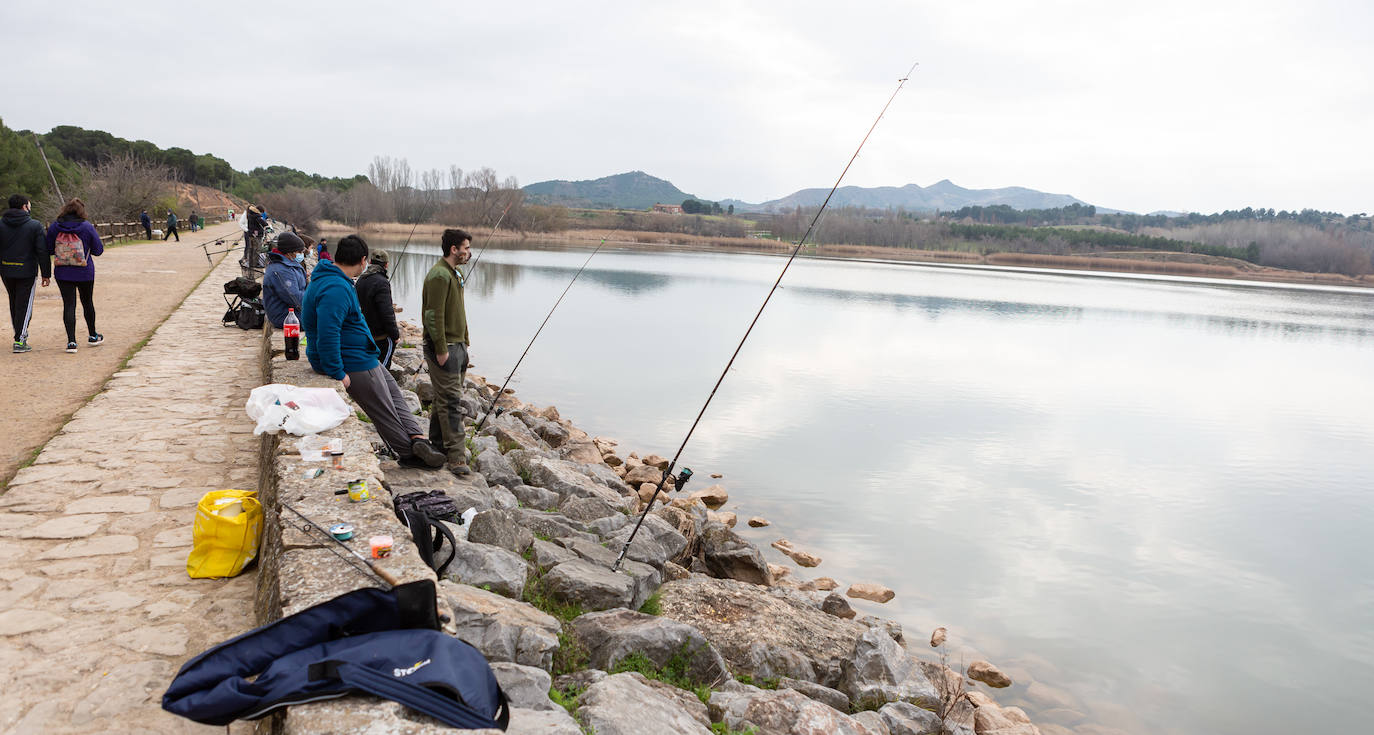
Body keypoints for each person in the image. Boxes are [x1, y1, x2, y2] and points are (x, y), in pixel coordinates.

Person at [301, 234, 445, 469]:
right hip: (352, 361)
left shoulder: (335, 280)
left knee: (394, 394)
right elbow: (328, 333)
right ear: (362, 260)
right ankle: (409, 454)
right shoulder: (335, 288)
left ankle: (419, 439)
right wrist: (338, 372)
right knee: (383, 408)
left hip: (363, 355)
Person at [422, 228, 473, 475]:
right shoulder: (439, 276)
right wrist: (441, 349)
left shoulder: (455, 273)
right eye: (465, 248)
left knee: (443, 399)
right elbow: (433, 316)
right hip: (445, 349)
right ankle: (456, 458)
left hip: (458, 346)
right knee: (452, 402)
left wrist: (465, 341)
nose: (468, 253)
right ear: (454, 249)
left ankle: (437, 447)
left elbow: (458, 310)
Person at [45, 198, 104, 353]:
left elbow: (49, 249)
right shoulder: (86, 226)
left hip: (63, 272)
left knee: (69, 305)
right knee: (87, 302)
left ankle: (71, 342)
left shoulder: (55, 227)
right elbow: (98, 250)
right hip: (85, 272)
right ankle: (92, 335)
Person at [1, 194, 51, 353]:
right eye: (29, 205)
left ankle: (20, 334)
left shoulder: (1, 224)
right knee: (24, 305)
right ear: (24, 207)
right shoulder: (35, 225)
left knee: (14, 303)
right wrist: (46, 273)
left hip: (6, 270)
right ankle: (20, 340)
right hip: (27, 271)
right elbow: (42, 251)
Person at [355, 248, 400, 368]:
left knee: (370, 367)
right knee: (383, 370)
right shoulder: (382, 282)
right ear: (386, 265)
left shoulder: (361, 280)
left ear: (370, 262)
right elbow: (387, 312)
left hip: (365, 333)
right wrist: (395, 335)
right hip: (381, 337)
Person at [261, 232, 308, 328]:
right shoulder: (281, 270)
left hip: (294, 311)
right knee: (328, 320)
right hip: (284, 315)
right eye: (299, 252)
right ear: (290, 252)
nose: (301, 254)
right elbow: (294, 298)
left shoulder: (288, 264)